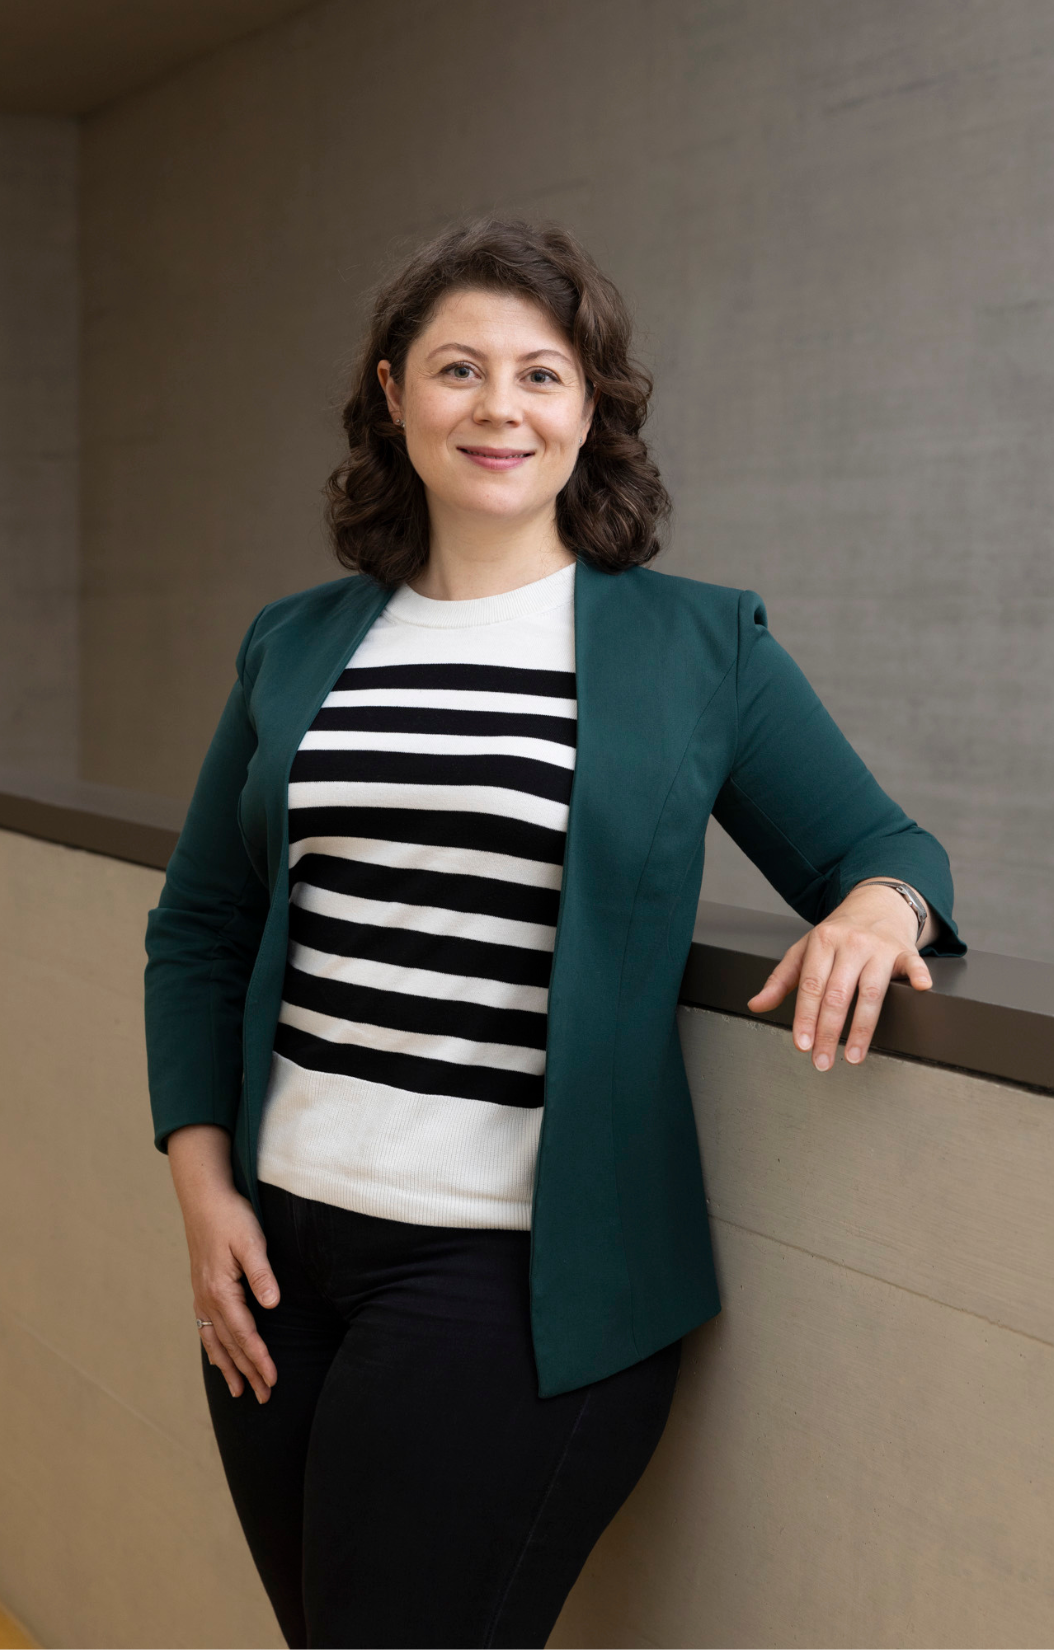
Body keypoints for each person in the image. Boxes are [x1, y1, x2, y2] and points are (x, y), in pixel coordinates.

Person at [142, 220, 960, 1648]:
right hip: (275, 1259)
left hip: (505, 1278)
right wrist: (201, 1188)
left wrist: (877, 907)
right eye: (458, 369)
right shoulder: (296, 641)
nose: (498, 406)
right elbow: (201, 924)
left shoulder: (694, 645)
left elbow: (882, 847)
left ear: (589, 411)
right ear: (394, 395)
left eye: (541, 373)